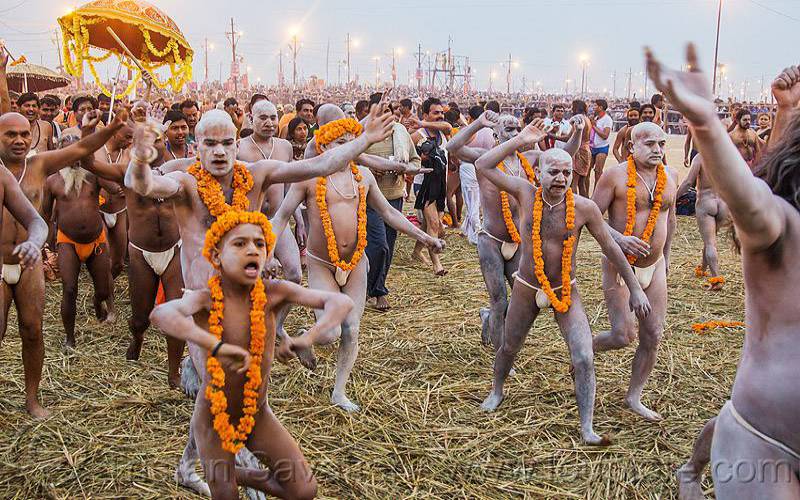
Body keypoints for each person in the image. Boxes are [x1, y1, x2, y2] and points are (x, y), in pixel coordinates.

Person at [126, 104, 395, 493]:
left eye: (227, 142)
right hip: (204, 305)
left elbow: (320, 165)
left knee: (232, 390)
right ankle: (242, 475)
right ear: (196, 146)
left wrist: (365, 140)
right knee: (221, 390)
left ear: (237, 144)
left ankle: (189, 467)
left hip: (252, 301)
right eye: (210, 144)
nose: (219, 151)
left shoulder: (256, 175)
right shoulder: (186, 183)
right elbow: (145, 185)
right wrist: (139, 156)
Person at [648, 45, 800, 500]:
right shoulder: (782, 224)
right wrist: (706, 122)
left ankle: (691, 471)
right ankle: (689, 472)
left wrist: (786, 110)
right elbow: (750, 198)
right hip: (766, 442)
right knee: (712, 245)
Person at [151, 210, 352, 499]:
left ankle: (230, 473)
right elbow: (161, 314)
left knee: (304, 490)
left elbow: (341, 303)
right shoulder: (206, 298)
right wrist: (215, 345)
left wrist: (307, 337)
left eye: (260, 244)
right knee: (227, 496)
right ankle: (222, 477)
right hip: (214, 417)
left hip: (257, 414)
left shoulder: (274, 292)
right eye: (240, 243)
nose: (252, 250)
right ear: (217, 256)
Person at [475, 122, 651, 445]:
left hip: (565, 289)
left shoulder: (584, 208)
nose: (561, 179)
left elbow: (611, 247)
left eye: (567, 173)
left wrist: (636, 289)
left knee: (583, 356)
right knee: (509, 347)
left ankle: (587, 427)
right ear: (538, 173)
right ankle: (496, 390)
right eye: (553, 172)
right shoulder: (524, 192)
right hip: (527, 286)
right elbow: (482, 165)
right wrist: (519, 139)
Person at [271, 113, 445, 412]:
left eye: (352, 143)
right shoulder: (310, 179)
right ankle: (304, 339)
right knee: (330, 334)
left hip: (355, 264)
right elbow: (281, 217)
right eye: (340, 143)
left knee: (351, 329)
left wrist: (425, 237)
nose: (348, 148)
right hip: (321, 263)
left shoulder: (363, 177)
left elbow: (389, 213)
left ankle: (339, 392)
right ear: (324, 146)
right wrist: (266, 251)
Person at [0, 105, 123, 417]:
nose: (19, 140)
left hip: (29, 264)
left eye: (24, 134)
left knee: (33, 330)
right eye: (10, 135)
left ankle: (32, 400)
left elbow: (82, 149)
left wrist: (111, 127)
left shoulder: (39, 165)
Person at [446, 110, 582, 349]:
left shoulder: (530, 158)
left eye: (518, 129)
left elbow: (566, 154)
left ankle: (490, 318)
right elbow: (452, 147)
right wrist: (478, 123)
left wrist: (579, 132)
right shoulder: (485, 158)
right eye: (509, 129)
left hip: (519, 242)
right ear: (496, 135)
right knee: (499, 300)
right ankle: (501, 354)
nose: (516, 133)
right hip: (491, 240)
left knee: (523, 299)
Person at [591, 121, 678, 422]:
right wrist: (619, 238)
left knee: (653, 334)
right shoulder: (613, 176)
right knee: (623, 335)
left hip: (655, 266)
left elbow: (670, 220)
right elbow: (591, 218)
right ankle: (585, 348)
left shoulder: (670, 176)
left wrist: (666, 256)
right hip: (620, 264)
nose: (657, 149)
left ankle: (634, 396)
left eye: (662, 143)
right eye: (650, 143)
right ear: (631, 146)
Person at [237, 99, 308, 368]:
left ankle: (276, 326)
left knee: (294, 274)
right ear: (251, 118)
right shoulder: (240, 147)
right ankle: (250, 335)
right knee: (252, 281)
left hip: (279, 220)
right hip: (251, 223)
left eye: (272, 117)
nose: (268, 123)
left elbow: (290, 187)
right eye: (262, 118)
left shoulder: (285, 147)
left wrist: (299, 220)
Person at [43, 133, 116, 349]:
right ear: (61, 153)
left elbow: (115, 189)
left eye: (78, 151)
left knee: (103, 290)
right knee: (69, 289)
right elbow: (45, 215)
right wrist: (46, 243)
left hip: (96, 240)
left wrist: (99, 166)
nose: (74, 157)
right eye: (69, 151)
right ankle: (70, 338)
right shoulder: (52, 181)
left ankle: (97, 302)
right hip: (67, 241)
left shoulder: (93, 175)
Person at [362, 92, 425, 312]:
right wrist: (370, 170)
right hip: (370, 198)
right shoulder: (363, 134)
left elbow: (415, 160)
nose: (386, 115)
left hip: (394, 196)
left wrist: (404, 168)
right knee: (378, 245)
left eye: (389, 111)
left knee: (388, 246)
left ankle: (377, 288)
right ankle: (370, 288)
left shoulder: (401, 132)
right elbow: (351, 161)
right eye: (381, 111)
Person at [410, 97, 452, 276]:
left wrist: (422, 122)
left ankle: (416, 252)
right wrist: (419, 159)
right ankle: (437, 266)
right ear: (426, 114)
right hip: (424, 184)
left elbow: (448, 127)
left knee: (430, 225)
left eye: (442, 113)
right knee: (434, 224)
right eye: (436, 113)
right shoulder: (417, 135)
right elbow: (408, 156)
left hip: (441, 183)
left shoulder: (444, 132)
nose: (440, 116)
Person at [677, 154, 730, 291]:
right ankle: (703, 268)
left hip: (706, 202)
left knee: (710, 243)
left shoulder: (700, 158)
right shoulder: (725, 154)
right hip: (723, 204)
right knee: (710, 239)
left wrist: (674, 198)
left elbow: (688, 182)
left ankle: (716, 279)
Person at [588, 98, 613, 191]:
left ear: (601, 107)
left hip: (602, 147)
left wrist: (594, 126)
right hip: (592, 147)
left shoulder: (607, 119)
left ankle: (597, 193)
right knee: (587, 171)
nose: (594, 107)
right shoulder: (596, 118)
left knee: (598, 171)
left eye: (595, 105)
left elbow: (605, 135)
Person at [570, 100, 592, 196]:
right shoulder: (587, 119)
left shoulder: (578, 118)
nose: (571, 109)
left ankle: (574, 203)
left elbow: (569, 137)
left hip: (578, 151)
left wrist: (551, 135)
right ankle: (585, 203)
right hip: (586, 150)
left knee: (574, 182)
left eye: (573, 107)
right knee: (581, 183)